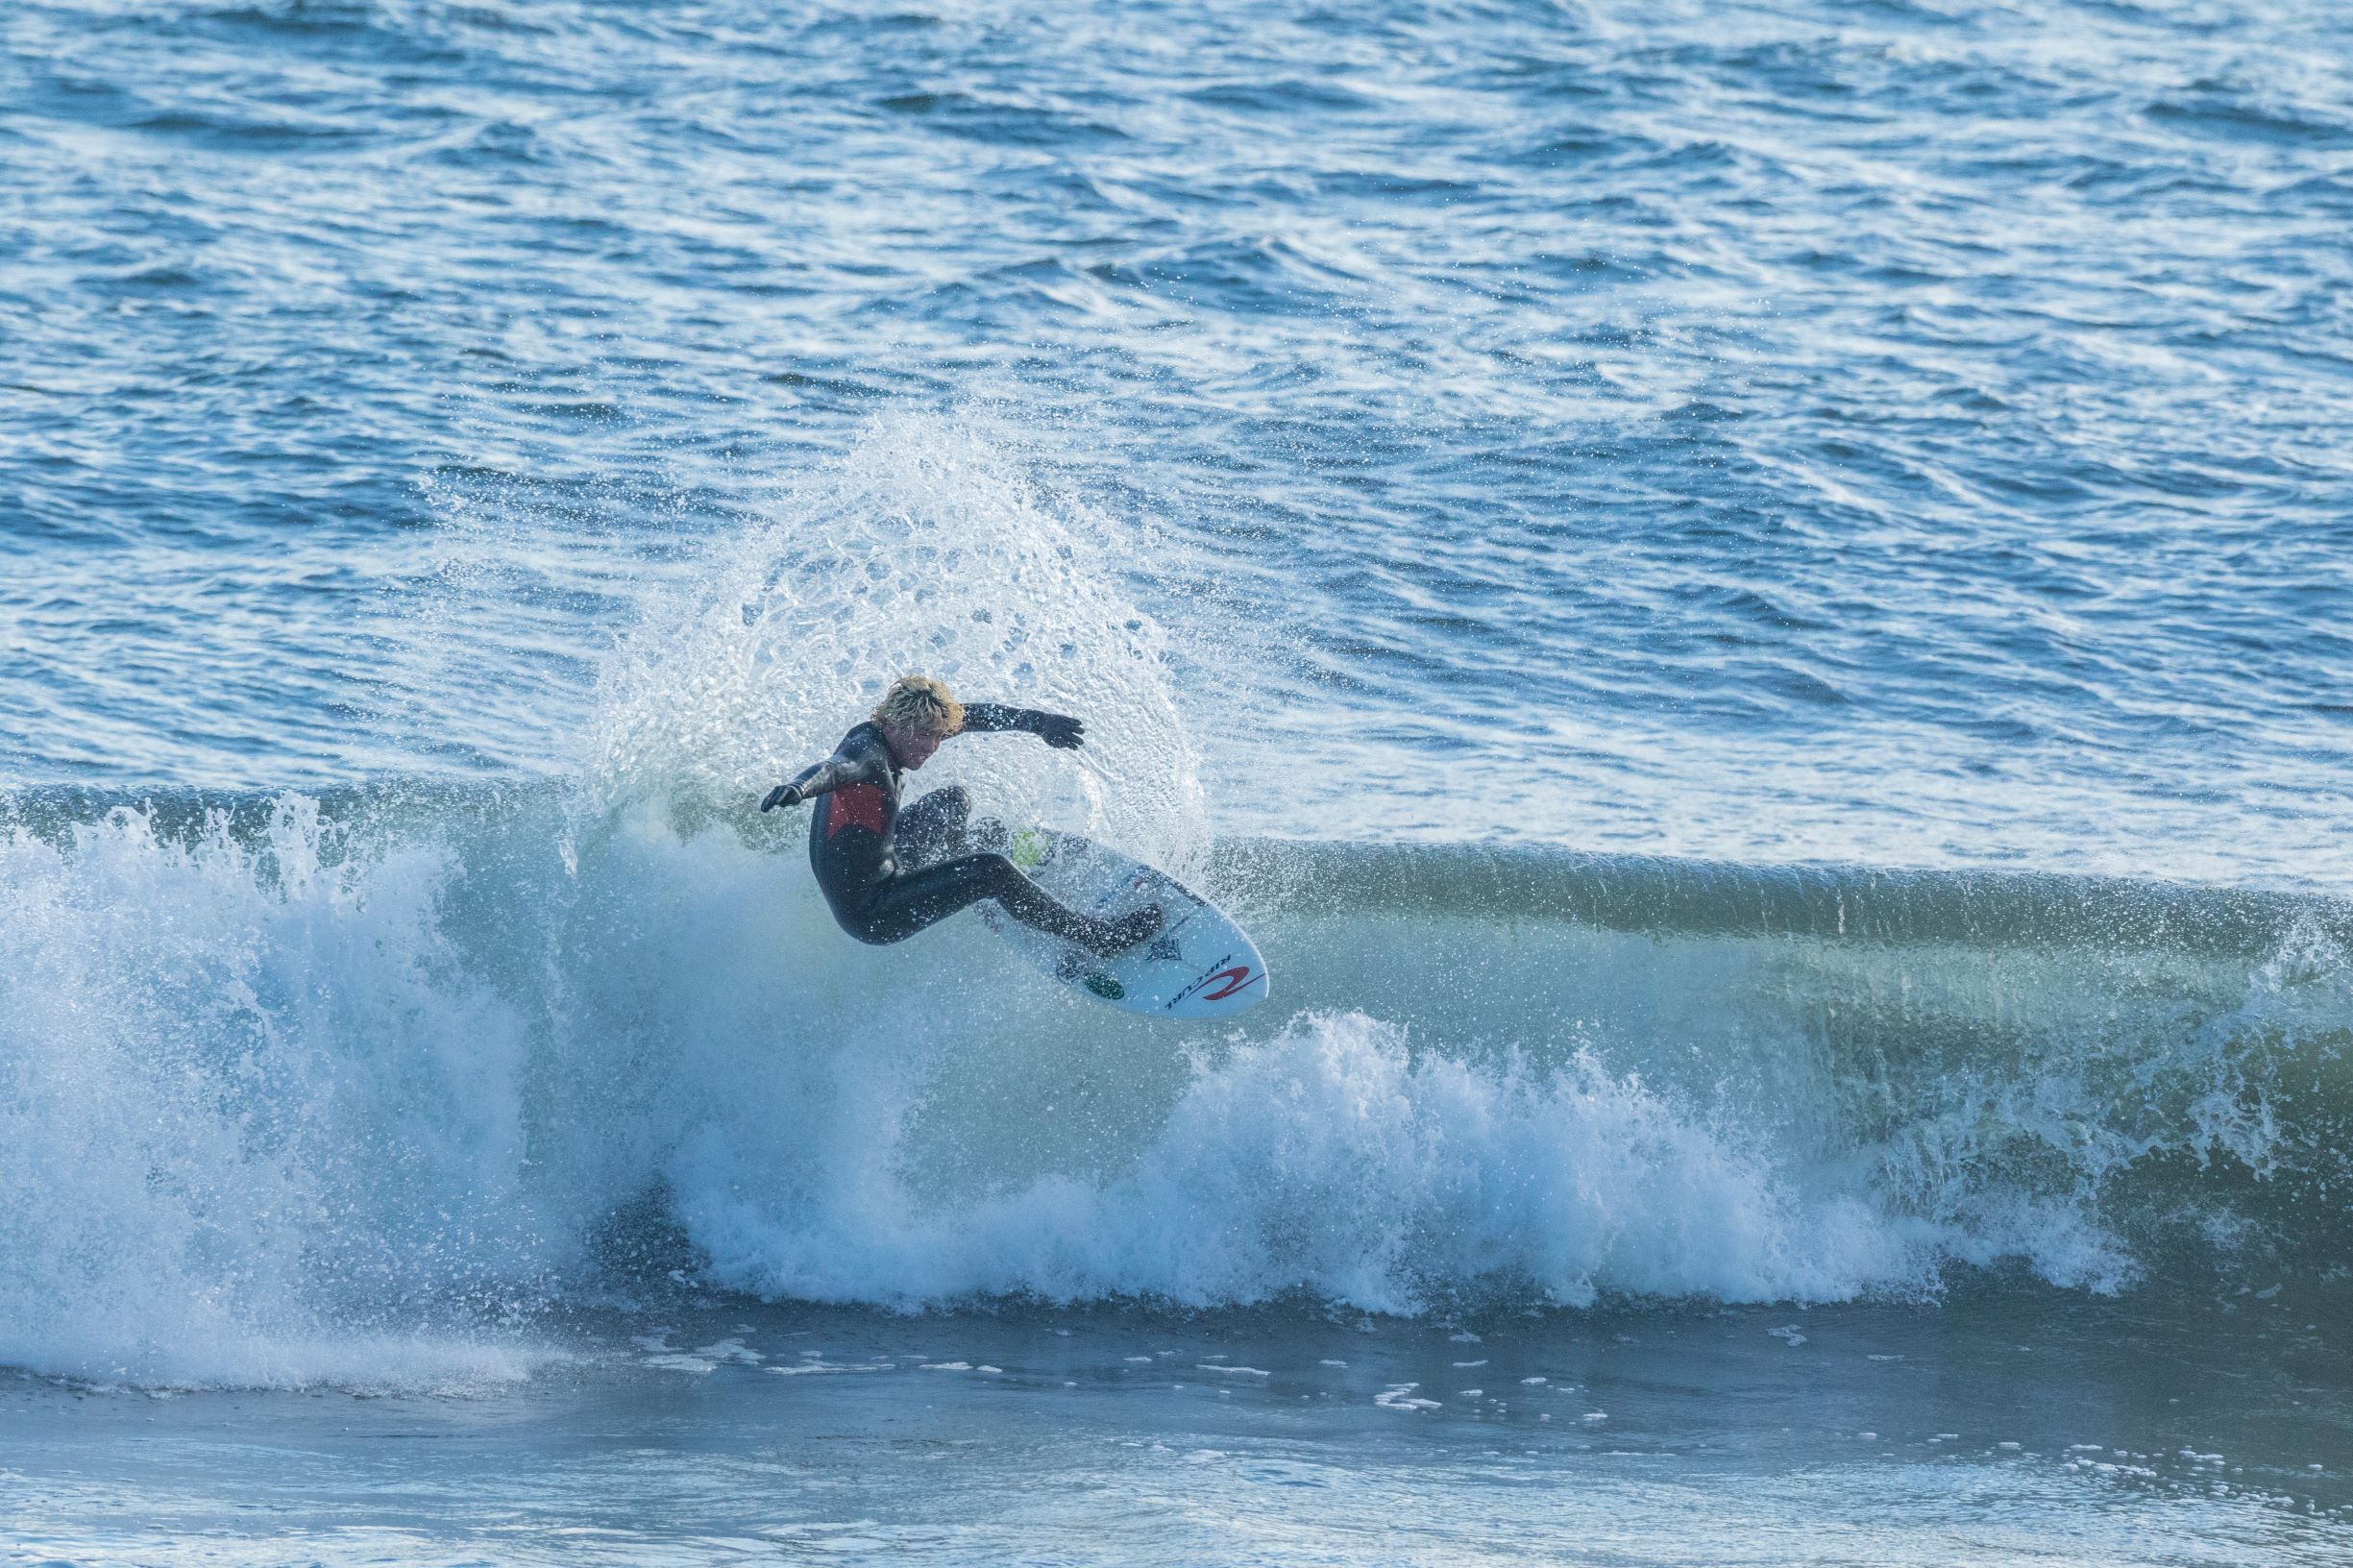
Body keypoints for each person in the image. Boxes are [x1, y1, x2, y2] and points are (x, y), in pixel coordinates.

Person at [760, 675, 1163, 957]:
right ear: (891, 725)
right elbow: (833, 768)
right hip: (873, 910)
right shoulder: (865, 754)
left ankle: (956, 866)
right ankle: (1095, 936)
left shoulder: (905, 729)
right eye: (921, 737)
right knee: (992, 869)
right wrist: (799, 787)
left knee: (954, 800)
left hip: (888, 859)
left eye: (937, 736)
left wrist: (1037, 722)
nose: (930, 747)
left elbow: (973, 717)